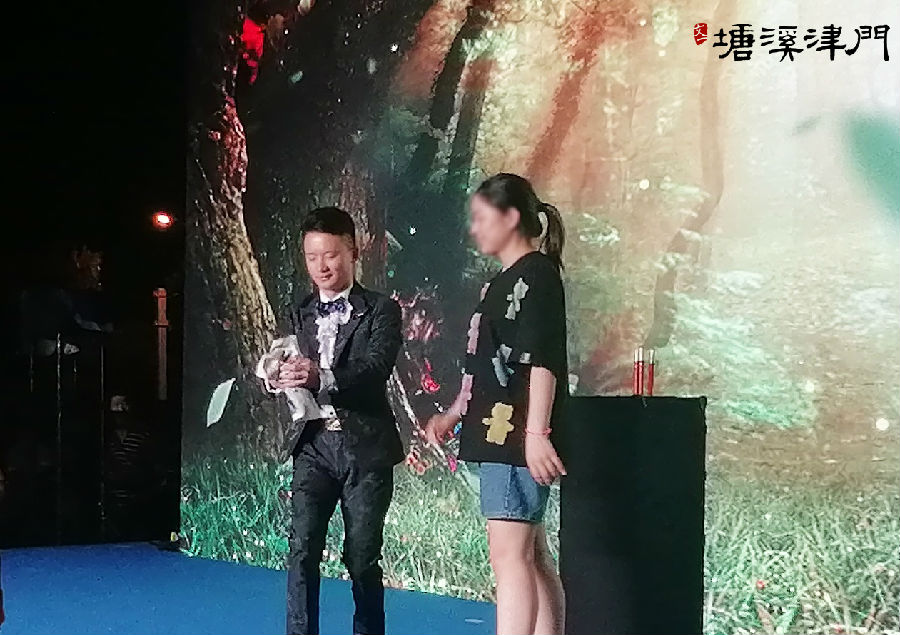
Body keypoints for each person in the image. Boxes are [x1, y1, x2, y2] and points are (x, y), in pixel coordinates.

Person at [425, 173, 568, 635]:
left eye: (482, 218)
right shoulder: (502, 283)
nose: (475, 229)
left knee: (510, 557)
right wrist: (454, 413)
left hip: (512, 437)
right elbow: (484, 363)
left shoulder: (536, 275)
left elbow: (542, 358)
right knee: (530, 554)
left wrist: (536, 434)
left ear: (510, 218)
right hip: (499, 432)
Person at [270, 206, 403, 635]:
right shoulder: (300, 311)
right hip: (313, 445)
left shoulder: (381, 309)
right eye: (312, 257)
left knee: (361, 557)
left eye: (330, 255)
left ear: (353, 252)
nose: (321, 266)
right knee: (301, 549)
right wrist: (277, 375)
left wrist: (321, 376)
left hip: (365, 448)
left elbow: (375, 368)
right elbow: (286, 361)